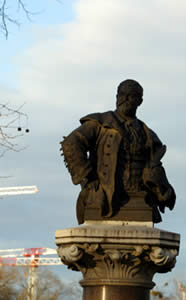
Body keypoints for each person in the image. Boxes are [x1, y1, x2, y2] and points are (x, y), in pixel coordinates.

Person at [60, 79, 175, 224]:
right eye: (122, 95)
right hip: (104, 195)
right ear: (116, 97)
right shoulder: (100, 123)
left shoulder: (149, 136)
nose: (125, 99)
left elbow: (154, 167)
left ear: (140, 101)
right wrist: (87, 177)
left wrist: (161, 188)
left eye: (131, 96)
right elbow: (71, 143)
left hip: (140, 199)